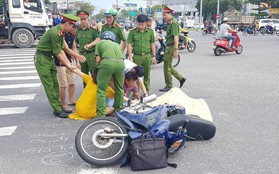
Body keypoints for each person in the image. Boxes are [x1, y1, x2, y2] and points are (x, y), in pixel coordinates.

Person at [34, 14, 85, 118]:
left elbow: (62, 50)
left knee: (55, 84)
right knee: (49, 86)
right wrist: (67, 65)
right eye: (72, 26)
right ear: (66, 24)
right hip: (42, 59)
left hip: (49, 58)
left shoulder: (60, 33)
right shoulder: (54, 33)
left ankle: (59, 106)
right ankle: (57, 109)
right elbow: (58, 53)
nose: (73, 29)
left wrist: (69, 64)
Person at [95, 31, 125, 117]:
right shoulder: (117, 45)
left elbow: (97, 60)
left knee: (101, 89)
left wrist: (98, 68)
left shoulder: (100, 43)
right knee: (119, 88)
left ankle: (101, 114)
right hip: (120, 63)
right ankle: (118, 110)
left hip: (107, 62)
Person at [159, 5, 186, 92]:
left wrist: (176, 50)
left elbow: (176, 37)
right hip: (169, 46)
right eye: (163, 15)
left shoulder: (174, 23)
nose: (164, 17)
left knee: (166, 67)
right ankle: (181, 78)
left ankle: (169, 85)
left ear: (170, 14)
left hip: (171, 47)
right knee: (168, 66)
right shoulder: (171, 23)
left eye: (165, 15)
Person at [127, 14, 156, 94]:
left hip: (147, 56)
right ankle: (136, 92)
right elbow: (129, 44)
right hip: (137, 56)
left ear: (146, 23)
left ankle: (147, 92)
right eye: (139, 24)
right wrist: (130, 57)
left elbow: (152, 43)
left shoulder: (150, 32)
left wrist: (154, 55)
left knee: (147, 75)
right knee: (135, 75)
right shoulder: (133, 32)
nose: (140, 26)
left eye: (142, 24)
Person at [55, 23, 79, 113]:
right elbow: (64, 49)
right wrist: (67, 63)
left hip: (69, 61)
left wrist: (77, 61)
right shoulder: (61, 34)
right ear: (70, 27)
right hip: (60, 63)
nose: (74, 32)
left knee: (72, 82)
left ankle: (71, 100)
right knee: (63, 85)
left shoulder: (72, 36)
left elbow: (73, 48)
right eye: (74, 30)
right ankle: (63, 103)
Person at [75, 10, 99, 81]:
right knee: (84, 75)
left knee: (94, 74)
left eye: (84, 19)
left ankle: (95, 90)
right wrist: (76, 56)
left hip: (91, 55)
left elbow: (98, 40)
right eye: (81, 19)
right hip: (82, 55)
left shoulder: (93, 30)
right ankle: (86, 89)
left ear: (87, 19)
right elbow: (75, 44)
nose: (83, 21)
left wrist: (91, 45)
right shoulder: (77, 31)